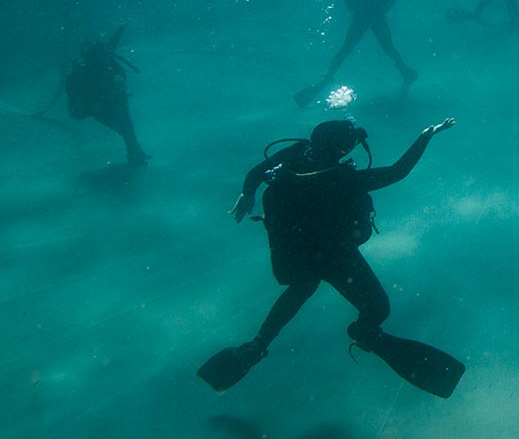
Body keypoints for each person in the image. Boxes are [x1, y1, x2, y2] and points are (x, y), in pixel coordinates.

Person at [197, 117, 465, 396]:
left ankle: (257, 346)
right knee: (377, 309)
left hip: (296, 255)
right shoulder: (345, 179)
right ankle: (365, 333)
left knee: (302, 286)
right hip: (336, 256)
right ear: (342, 150)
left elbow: (255, 172)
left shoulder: (293, 156)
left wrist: (247, 193)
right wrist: (426, 135)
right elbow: (399, 171)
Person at [294, 0, 418, 108]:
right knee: (386, 47)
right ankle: (404, 71)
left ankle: (327, 77)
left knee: (348, 48)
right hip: (374, 15)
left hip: (363, 15)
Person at [64, 25, 150, 165]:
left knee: (125, 126)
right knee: (125, 126)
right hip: (94, 105)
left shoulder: (105, 62)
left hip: (107, 102)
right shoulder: (80, 74)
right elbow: (76, 109)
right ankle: (134, 150)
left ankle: (134, 150)